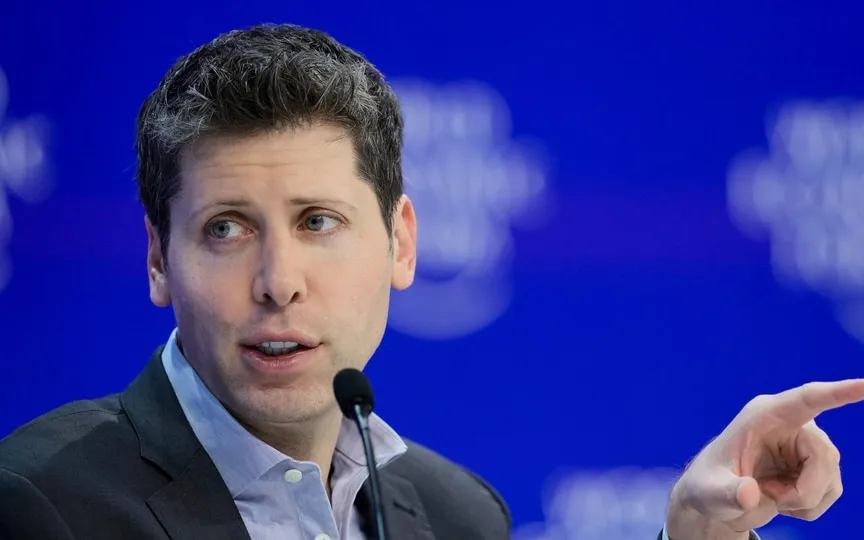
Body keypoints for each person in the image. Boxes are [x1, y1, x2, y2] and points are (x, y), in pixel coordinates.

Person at [0, 23, 860, 540]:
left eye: (318, 223)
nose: (278, 282)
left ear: (400, 244)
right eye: (225, 230)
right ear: (158, 258)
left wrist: (693, 535)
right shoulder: (39, 505)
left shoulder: (456, 516)